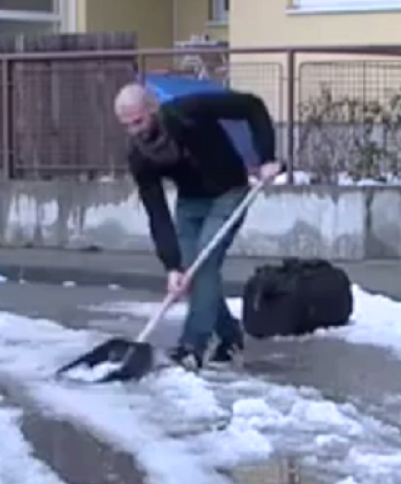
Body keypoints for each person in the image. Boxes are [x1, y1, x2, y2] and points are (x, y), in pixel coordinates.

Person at [114, 81, 283, 371]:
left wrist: (266, 157)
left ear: (152, 109)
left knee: (204, 265)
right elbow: (157, 212)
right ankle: (229, 337)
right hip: (190, 202)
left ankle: (193, 345)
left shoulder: (188, 112)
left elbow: (251, 106)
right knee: (189, 271)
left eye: (138, 121)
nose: (135, 131)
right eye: (127, 125)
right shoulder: (139, 155)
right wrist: (171, 266)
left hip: (229, 191)